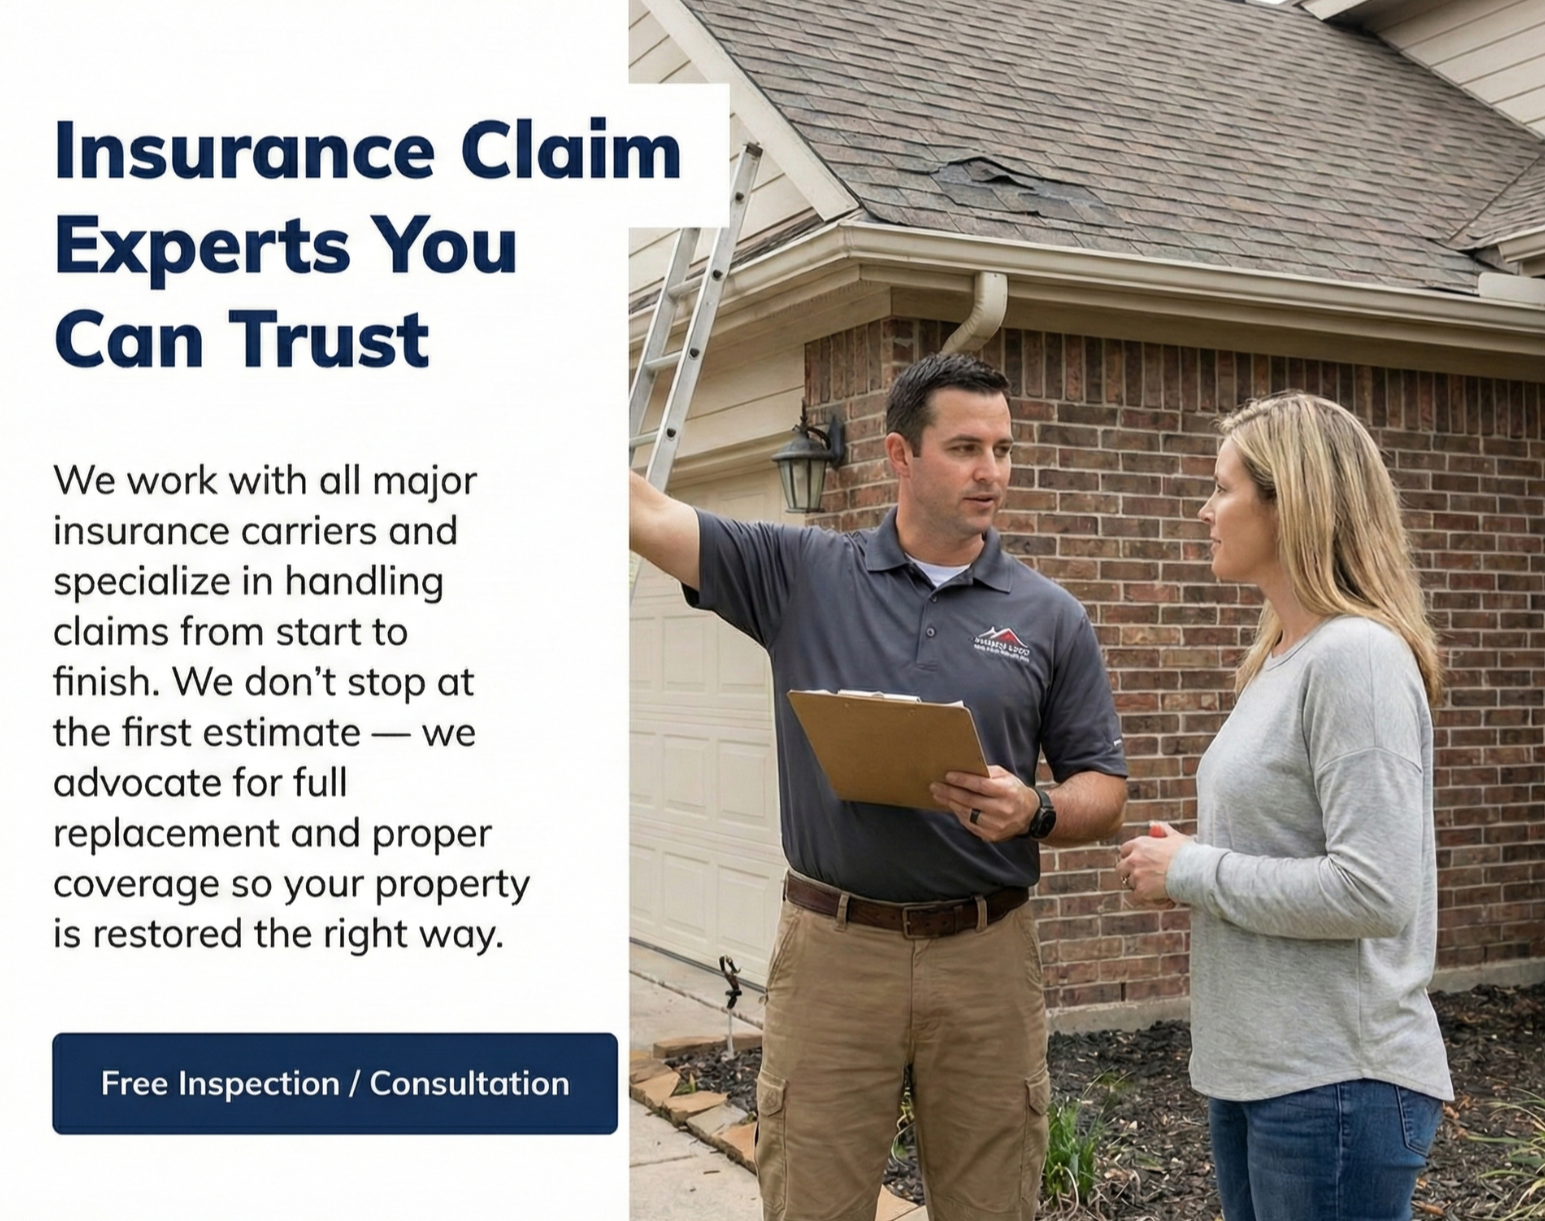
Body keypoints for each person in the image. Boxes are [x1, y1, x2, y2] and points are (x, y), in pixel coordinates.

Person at [630, 352, 1128, 1221]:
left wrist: (1036, 808)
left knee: (991, 1206)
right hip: (833, 951)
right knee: (812, 1202)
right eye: (965, 448)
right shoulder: (802, 571)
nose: (991, 471)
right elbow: (643, 512)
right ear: (900, 454)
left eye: (1003, 449)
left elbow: (1103, 789)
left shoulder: (1049, 615)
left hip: (985, 957)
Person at [1117, 391, 1452, 1221]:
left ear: (1287, 502)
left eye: (1221, 487)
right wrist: (1192, 864)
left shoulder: (1355, 658)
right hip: (1263, 1074)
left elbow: (1373, 890)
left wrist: (1192, 869)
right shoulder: (1281, 657)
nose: (1204, 510)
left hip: (1334, 1080)